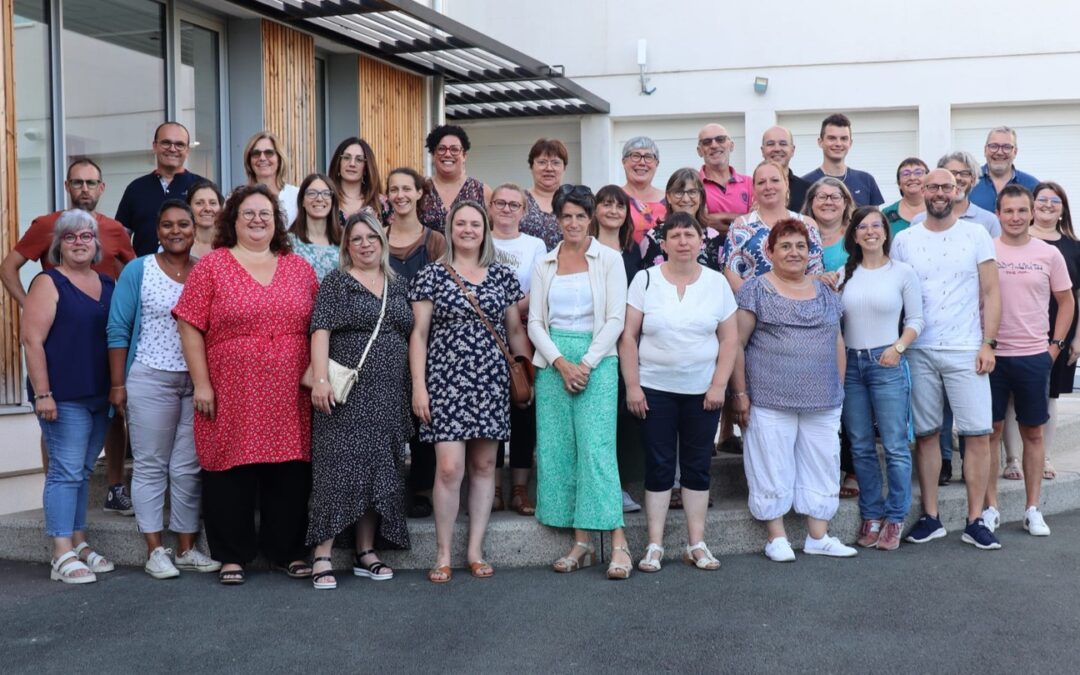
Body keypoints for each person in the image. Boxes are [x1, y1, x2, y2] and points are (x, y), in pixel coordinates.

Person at [173, 184, 318, 584]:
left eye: (265, 214)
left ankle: (286, 551)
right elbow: (189, 325)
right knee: (229, 467)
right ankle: (232, 554)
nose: (257, 220)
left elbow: (319, 327)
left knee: (290, 469)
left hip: (291, 387)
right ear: (232, 220)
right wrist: (201, 383)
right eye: (248, 213)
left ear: (277, 222)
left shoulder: (298, 266)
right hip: (231, 385)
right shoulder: (213, 266)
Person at [1, 157, 136, 515]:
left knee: (111, 416)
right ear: (67, 186)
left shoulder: (116, 230)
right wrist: (32, 305)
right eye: (77, 182)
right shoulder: (47, 225)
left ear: (102, 188)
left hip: (103, 340)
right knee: (57, 429)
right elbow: (8, 267)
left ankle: (115, 487)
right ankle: (55, 491)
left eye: (92, 183)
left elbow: (132, 277)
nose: (85, 189)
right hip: (63, 343)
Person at [408, 200, 531, 583]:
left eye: (474, 224)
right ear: (450, 229)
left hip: (490, 383)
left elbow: (513, 331)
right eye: (460, 223)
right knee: (448, 469)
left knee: (483, 468)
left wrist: (526, 374)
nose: (467, 229)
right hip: (444, 382)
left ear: (485, 229)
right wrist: (418, 387)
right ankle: (443, 553)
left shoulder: (501, 276)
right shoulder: (432, 275)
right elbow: (419, 334)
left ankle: (475, 550)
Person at [106, 200, 221, 579]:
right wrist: (118, 384)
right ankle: (155, 549)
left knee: (187, 467)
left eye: (183, 225)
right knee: (152, 466)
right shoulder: (139, 270)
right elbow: (118, 328)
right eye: (167, 225)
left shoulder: (206, 271)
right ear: (157, 231)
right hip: (150, 378)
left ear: (194, 230)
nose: (176, 231)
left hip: (196, 383)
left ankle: (187, 547)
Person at [732, 218, 857, 561]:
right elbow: (737, 345)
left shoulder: (827, 293)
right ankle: (777, 537)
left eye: (800, 246)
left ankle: (818, 536)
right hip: (770, 398)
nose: (793, 252)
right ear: (770, 251)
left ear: (811, 252)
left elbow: (837, 342)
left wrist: (839, 390)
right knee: (771, 462)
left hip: (824, 399)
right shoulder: (754, 290)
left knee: (822, 463)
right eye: (785, 245)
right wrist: (740, 394)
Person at [891, 168, 1002, 550]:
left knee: (977, 434)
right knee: (925, 435)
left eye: (946, 187)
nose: (939, 192)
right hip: (919, 350)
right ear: (921, 190)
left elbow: (991, 291)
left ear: (959, 190)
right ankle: (931, 517)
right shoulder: (904, 240)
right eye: (932, 186)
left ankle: (975, 520)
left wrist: (988, 343)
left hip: (966, 349)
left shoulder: (976, 234)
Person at [620, 212, 738, 572]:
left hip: (702, 391)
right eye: (676, 235)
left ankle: (696, 543)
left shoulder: (717, 284)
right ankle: (654, 545)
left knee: (697, 466)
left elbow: (729, 338)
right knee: (658, 466)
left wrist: (719, 385)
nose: (683, 241)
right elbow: (628, 337)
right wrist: (633, 386)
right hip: (654, 389)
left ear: (701, 241)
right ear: (665, 242)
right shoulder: (645, 280)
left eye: (690, 234)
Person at [528, 184, 631, 580]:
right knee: (559, 450)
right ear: (557, 219)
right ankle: (582, 544)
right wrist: (559, 362)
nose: (573, 223)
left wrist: (584, 363)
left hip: (598, 360)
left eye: (579, 216)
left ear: (591, 218)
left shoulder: (608, 259)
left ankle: (619, 544)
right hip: (552, 361)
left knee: (596, 449)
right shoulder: (545, 262)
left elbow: (616, 319)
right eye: (566, 216)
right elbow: (536, 320)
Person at [306, 212, 413, 590]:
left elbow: (410, 334)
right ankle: (322, 554)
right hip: (345, 393)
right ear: (347, 246)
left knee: (379, 471)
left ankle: (366, 553)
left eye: (372, 237)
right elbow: (320, 331)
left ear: (382, 242)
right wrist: (320, 380)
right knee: (336, 470)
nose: (365, 244)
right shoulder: (337, 282)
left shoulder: (397, 285)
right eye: (357, 239)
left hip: (388, 394)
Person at [21, 210, 117, 583]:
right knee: (64, 471)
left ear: (96, 244)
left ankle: (78, 542)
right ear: (58, 245)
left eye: (86, 236)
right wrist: (43, 393)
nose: (79, 242)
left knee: (80, 471)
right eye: (71, 237)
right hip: (62, 396)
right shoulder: (48, 281)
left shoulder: (107, 283)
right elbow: (32, 340)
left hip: (99, 394)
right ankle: (60, 552)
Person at [980, 186, 1073, 538]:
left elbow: (1066, 302)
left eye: (1022, 210)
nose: (1016, 217)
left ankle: (1032, 509)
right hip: (992, 357)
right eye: (1009, 211)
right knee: (990, 433)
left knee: (1032, 433)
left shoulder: (1048, 254)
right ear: (999, 214)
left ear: (1032, 212)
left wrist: (1054, 348)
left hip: (1034, 356)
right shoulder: (986, 250)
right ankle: (991, 508)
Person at [839, 206, 924, 551]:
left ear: (886, 233)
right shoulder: (845, 274)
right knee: (859, 444)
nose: (871, 231)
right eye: (863, 226)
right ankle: (871, 514)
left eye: (877, 225)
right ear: (855, 235)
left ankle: (895, 517)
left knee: (894, 445)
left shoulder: (902, 272)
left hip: (886, 362)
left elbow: (916, 319)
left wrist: (899, 347)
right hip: (851, 366)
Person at [384, 167, 446, 518]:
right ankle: (389, 488)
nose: (400, 195)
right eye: (394, 189)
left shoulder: (435, 241)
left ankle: (422, 489)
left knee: (425, 418)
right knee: (391, 416)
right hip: (386, 342)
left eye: (407, 188)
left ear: (420, 193)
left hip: (429, 339)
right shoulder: (376, 237)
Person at [488, 183, 546, 515]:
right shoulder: (482, 239)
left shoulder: (535, 245)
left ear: (524, 211)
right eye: (501, 203)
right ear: (491, 207)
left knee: (523, 404)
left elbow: (539, 286)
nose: (507, 209)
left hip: (524, 331)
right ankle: (494, 487)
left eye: (514, 204)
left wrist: (506, 307)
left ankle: (520, 488)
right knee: (493, 410)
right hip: (484, 335)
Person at [591, 185, 645, 513]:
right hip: (592, 341)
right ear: (595, 210)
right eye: (607, 205)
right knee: (597, 418)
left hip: (626, 341)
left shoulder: (632, 249)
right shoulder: (584, 247)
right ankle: (597, 486)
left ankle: (623, 487)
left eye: (620, 206)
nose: (613, 211)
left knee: (625, 417)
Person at [1029, 181, 1080, 481]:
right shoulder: (1015, 239)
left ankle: (1044, 456)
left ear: (1063, 210)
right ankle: (1013, 458)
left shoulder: (1074, 247)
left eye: (1055, 201)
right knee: (1012, 396)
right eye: (1042, 200)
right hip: (1021, 327)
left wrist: (1077, 337)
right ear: (1032, 205)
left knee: (1050, 396)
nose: (1048, 205)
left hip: (1060, 330)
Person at [723, 160, 825, 292]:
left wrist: (791, 299)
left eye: (775, 180)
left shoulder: (807, 224)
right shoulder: (740, 225)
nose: (768, 186)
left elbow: (816, 270)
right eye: (761, 182)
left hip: (799, 304)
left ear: (786, 184)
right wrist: (756, 301)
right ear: (753, 189)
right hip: (752, 307)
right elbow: (731, 272)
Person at [115, 122, 205, 255]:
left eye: (179, 144)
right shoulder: (136, 189)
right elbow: (120, 240)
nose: (173, 149)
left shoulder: (202, 188)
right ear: (155, 146)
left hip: (193, 273)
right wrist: (131, 270)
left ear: (187, 150)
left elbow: (216, 235)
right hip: (145, 273)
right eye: (166, 143)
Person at [641, 168, 724, 271]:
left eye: (692, 192)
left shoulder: (716, 238)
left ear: (701, 197)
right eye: (679, 192)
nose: (685, 199)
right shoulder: (654, 237)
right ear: (669, 197)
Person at [418, 125, 491, 233]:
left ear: (464, 155)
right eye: (441, 149)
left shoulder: (482, 192)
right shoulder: (420, 189)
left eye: (454, 149)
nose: (447, 154)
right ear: (433, 155)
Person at [801, 113, 884, 207]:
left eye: (844, 139)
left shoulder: (866, 180)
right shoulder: (804, 184)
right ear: (820, 142)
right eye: (832, 138)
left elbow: (875, 219)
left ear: (850, 143)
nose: (838, 143)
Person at [912, 151, 1001, 237]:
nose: (957, 178)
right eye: (952, 173)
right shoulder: (920, 221)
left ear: (973, 180)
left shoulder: (989, 221)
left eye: (964, 173)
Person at [697, 123, 753, 236]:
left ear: (731, 145)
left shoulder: (750, 183)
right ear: (699, 151)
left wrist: (716, 217)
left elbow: (755, 221)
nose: (714, 145)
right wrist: (742, 218)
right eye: (707, 142)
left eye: (720, 139)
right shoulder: (692, 184)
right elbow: (696, 222)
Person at [969, 126, 1040, 213]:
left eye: (1007, 147)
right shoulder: (968, 181)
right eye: (994, 146)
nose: (999, 152)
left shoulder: (1032, 185)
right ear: (985, 150)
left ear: (1015, 152)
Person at [288, 173, 343, 281]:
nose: (319, 199)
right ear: (302, 201)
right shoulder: (287, 242)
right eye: (312, 193)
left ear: (333, 201)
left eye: (326, 194)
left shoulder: (345, 242)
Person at [243, 130, 300, 227]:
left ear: (279, 158)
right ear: (249, 160)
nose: (262, 158)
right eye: (256, 153)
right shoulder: (235, 198)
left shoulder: (297, 196)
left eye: (269, 153)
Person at [520, 138, 567, 250]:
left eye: (555, 163)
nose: (549, 168)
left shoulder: (573, 201)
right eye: (542, 162)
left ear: (564, 168)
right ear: (531, 167)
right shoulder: (518, 200)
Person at [803, 177, 855, 274]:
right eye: (822, 197)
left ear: (845, 204)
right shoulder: (797, 237)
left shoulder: (856, 236)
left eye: (835, 197)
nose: (828, 202)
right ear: (811, 203)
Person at [620, 136, 667, 244]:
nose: (642, 162)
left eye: (648, 157)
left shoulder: (671, 201)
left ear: (657, 164)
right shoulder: (612, 200)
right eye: (635, 156)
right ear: (624, 161)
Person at [327, 137, 385, 223]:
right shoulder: (325, 198)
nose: (352, 164)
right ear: (338, 163)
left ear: (366, 167)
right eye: (346, 158)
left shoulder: (382, 204)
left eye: (359, 159)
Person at [761, 125, 810, 211]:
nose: (777, 149)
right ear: (762, 150)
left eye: (783, 144)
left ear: (792, 150)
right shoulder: (751, 189)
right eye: (770, 144)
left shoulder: (808, 190)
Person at [880, 158, 928, 236]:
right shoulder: (886, 214)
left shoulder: (938, 211)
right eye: (906, 174)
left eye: (918, 173)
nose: (912, 178)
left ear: (928, 180)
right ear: (899, 184)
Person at [187, 180, 224, 260]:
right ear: (189, 208)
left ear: (220, 208)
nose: (207, 208)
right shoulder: (179, 244)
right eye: (199, 203)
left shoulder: (232, 243)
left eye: (213, 203)